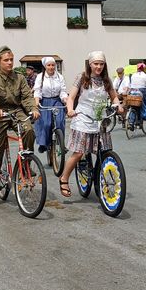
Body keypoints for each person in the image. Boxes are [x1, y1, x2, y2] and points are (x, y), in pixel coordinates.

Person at [58, 51, 124, 197]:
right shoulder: (82, 78)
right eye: (96, 64)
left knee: (105, 150)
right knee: (79, 152)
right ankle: (64, 178)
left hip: (100, 118)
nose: (98, 67)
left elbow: (114, 97)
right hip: (83, 117)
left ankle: (102, 177)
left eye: (101, 64)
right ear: (90, 64)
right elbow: (71, 97)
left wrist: (118, 105)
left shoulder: (107, 80)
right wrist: (70, 110)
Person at [0, 46, 40, 209]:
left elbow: (27, 96)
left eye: (11, 60)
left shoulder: (19, 77)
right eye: (6, 60)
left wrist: (33, 109)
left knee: (29, 129)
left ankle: (26, 162)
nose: (9, 63)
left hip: (16, 111)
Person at [33, 57, 68, 154]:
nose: (51, 67)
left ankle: (61, 144)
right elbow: (37, 90)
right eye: (49, 65)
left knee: (60, 121)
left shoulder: (59, 77)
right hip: (45, 101)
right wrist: (37, 101)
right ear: (45, 66)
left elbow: (63, 91)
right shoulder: (40, 76)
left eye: (53, 65)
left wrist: (65, 100)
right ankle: (43, 144)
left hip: (57, 101)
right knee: (46, 123)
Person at [128, 63, 146, 129]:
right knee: (145, 105)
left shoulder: (133, 75)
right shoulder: (145, 76)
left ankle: (131, 122)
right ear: (144, 69)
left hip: (133, 92)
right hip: (141, 92)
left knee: (134, 107)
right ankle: (144, 117)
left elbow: (131, 84)